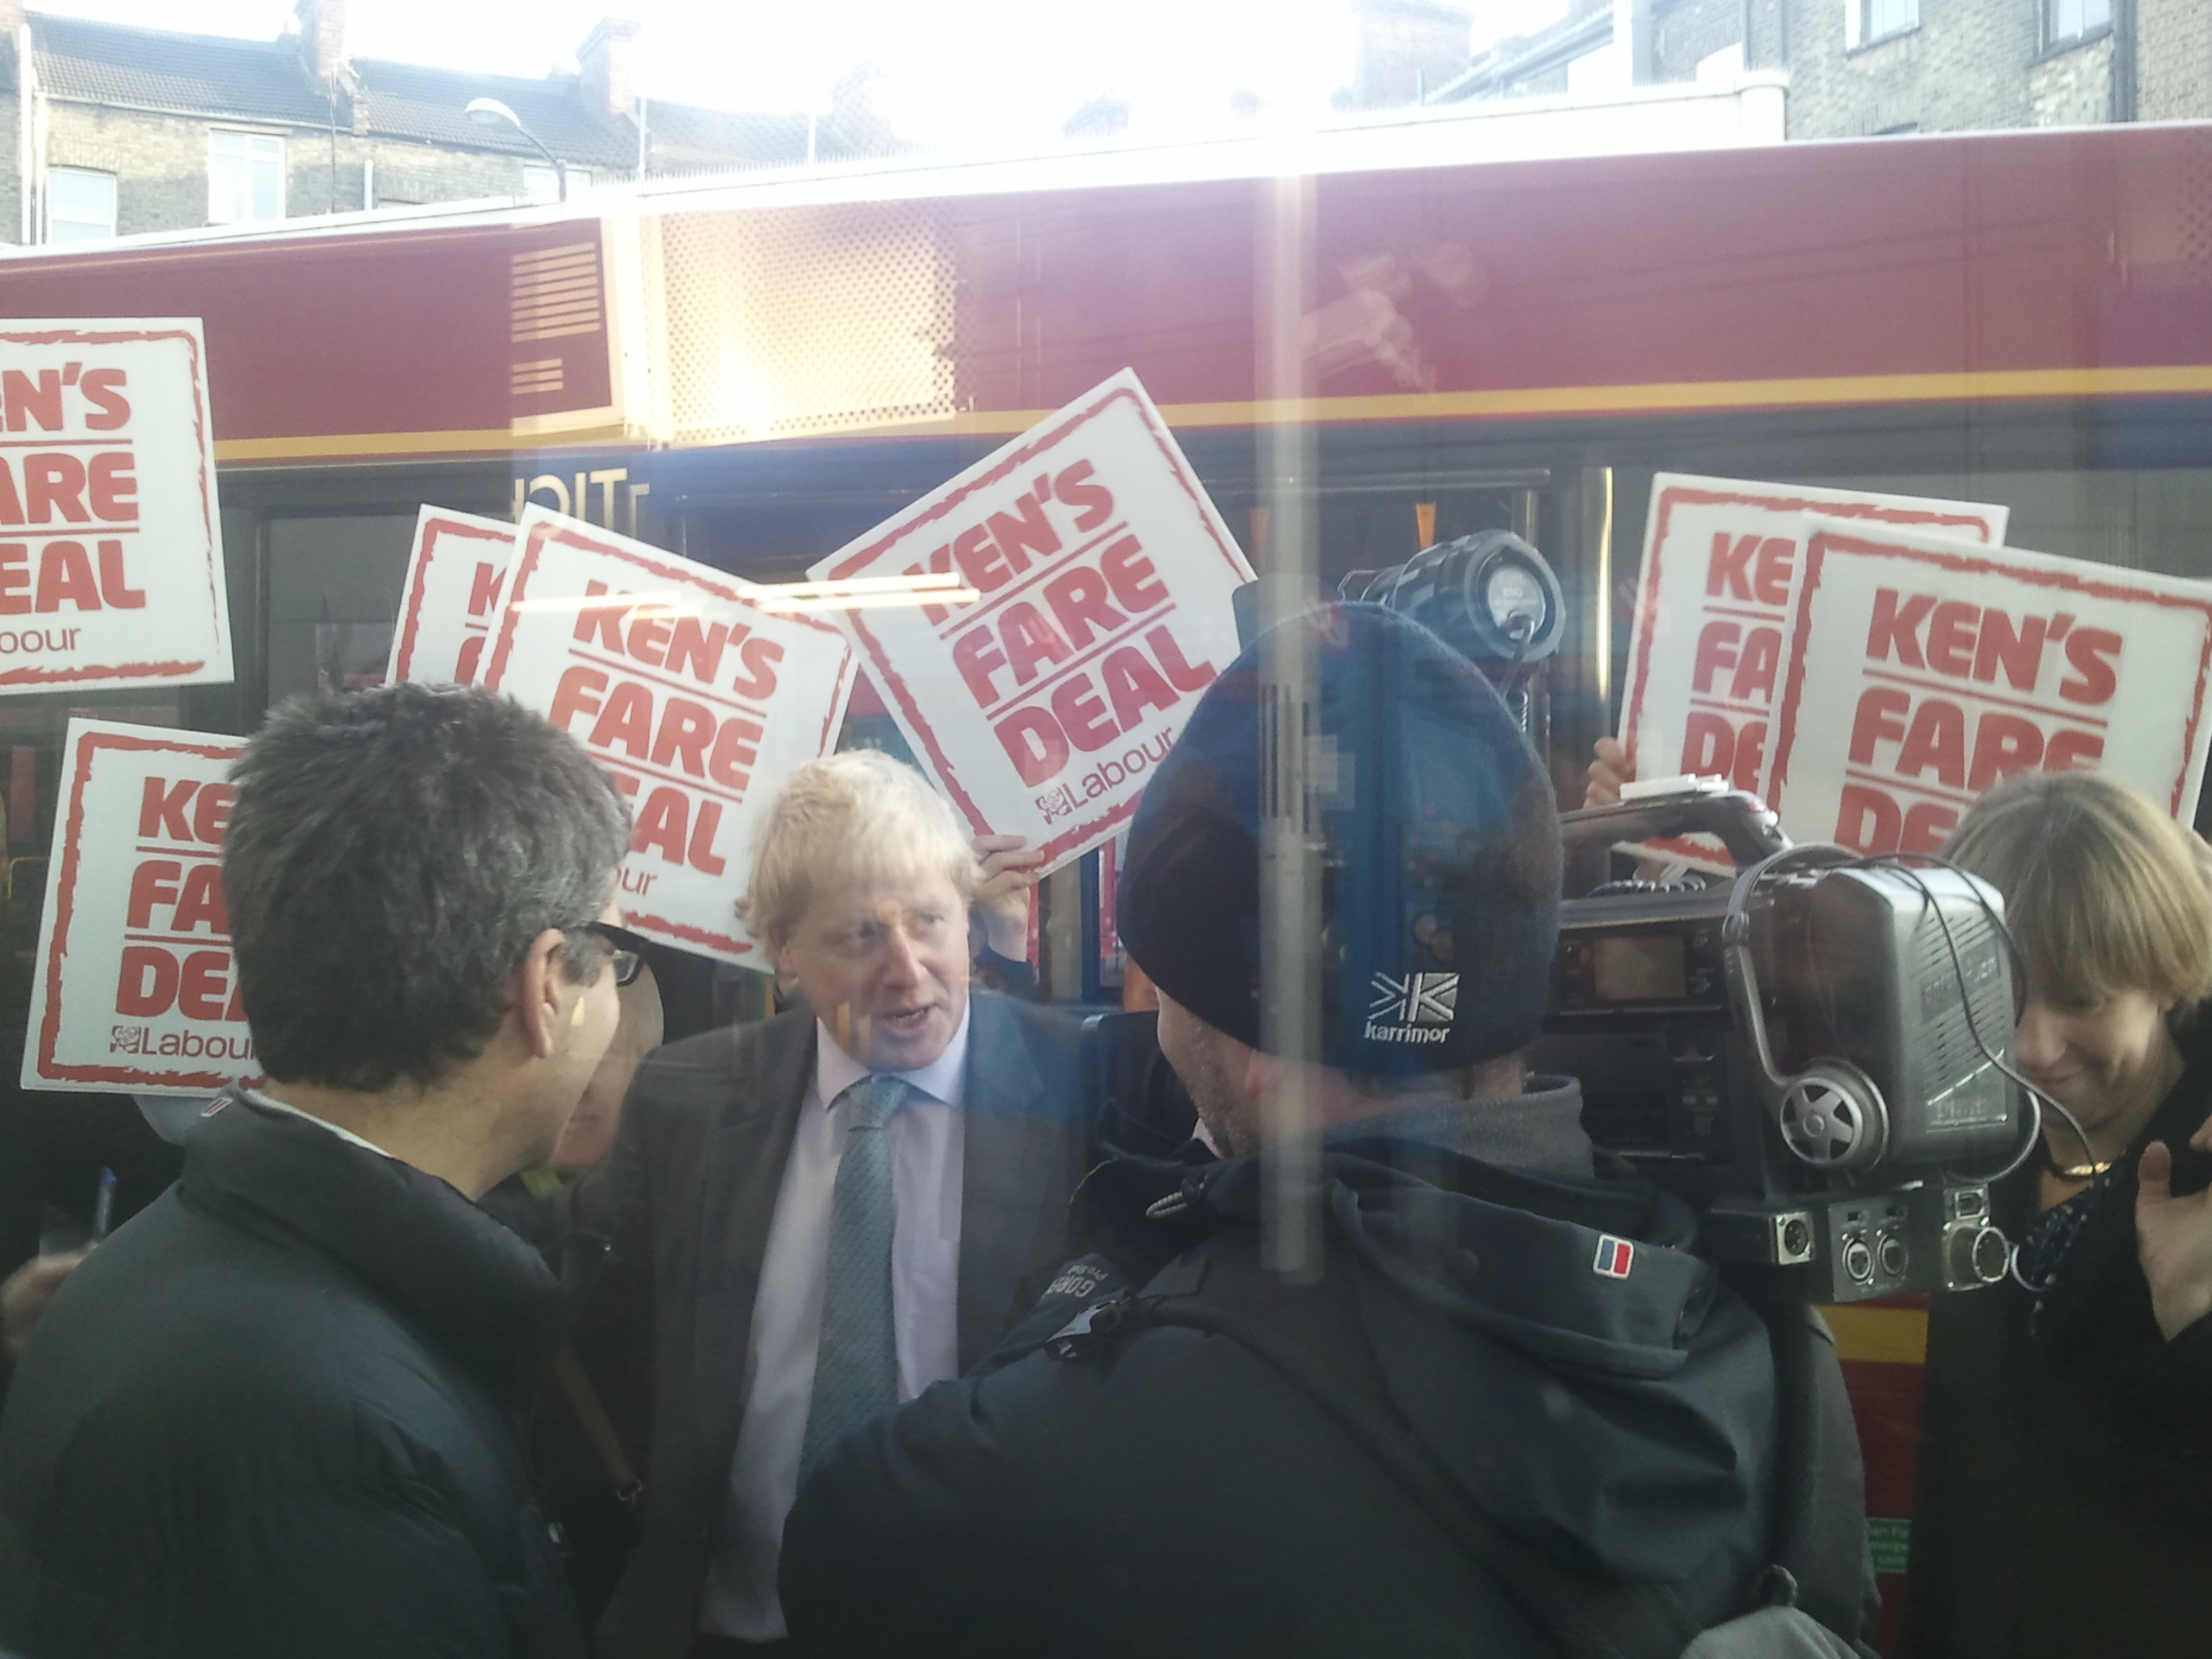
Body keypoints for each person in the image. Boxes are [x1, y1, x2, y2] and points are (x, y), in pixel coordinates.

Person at [779, 604, 1874, 1658]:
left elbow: (837, 1551)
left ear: (1255, 1049)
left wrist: (1136, 1248)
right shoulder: (1771, 1341)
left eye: (1168, 998)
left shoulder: (1122, 1444)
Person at [0, 683, 633, 1659]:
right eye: (616, 956)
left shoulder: (203, 1267)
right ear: (546, 985)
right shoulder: (333, 1444)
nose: (618, 999)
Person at [570, 748, 1088, 1659]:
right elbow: (605, 1348)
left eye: (930, 921)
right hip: (727, 1627)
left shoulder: (1085, 1089)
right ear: (784, 949)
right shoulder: (686, 1100)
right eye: (858, 937)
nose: (907, 971)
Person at [1904, 772, 2212, 1659]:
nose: (2032, 1048)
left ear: (2168, 977)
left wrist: (2197, 1332)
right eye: (1997, 996)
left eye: (2082, 998)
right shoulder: (1937, 1131)